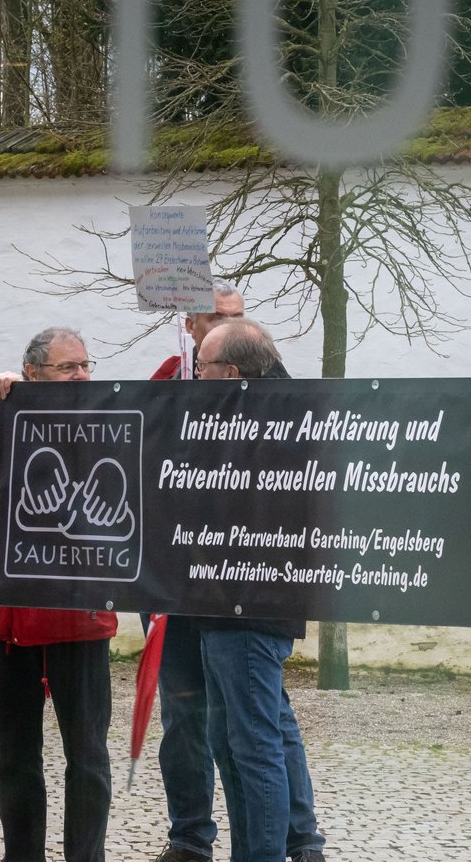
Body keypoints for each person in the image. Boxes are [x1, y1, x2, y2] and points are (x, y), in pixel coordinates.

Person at [0, 327, 117, 862]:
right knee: (15, 757)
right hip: (12, 623)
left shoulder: (108, 426)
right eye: (69, 367)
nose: (82, 375)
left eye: (87, 365)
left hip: (81, 620)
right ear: (35, 373)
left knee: (88, 758)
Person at [184, 318, 325, 862]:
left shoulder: (273, 421)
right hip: (222, 606)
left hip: (248, 608)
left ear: (233, 372)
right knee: (231, 743)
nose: (196, 377)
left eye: (203, 368)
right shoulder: (256, 411)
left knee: (254, 746)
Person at [151, 281, 245, 380]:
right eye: (218, 319)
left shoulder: (258, 371)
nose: (228, 326)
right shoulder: (170, 372)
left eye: (237, 319)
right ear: (191, 326)